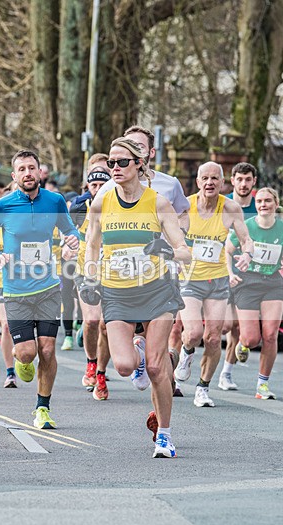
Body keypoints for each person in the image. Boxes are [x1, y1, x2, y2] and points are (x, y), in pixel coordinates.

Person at [84, 137, 190, 458]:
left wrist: (168, 249)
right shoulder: (102, 202)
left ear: (139, 165)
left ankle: (165, 436)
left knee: (158, 370)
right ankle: (140, 353)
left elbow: (184, 250)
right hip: (117, 291)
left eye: (122, 162)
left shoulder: (158, 203)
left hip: (157, 290)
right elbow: (92, 243)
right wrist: (90, 276)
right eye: (111, 163)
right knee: (124, 366)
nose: (115, 168)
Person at [0, 150, 80, 430]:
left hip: (48, 288)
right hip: (15, 291)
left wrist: (73, 243)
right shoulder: (4, 205)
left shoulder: (55, 201)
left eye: (31, 167)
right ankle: (22, 361)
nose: (28, 173)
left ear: (40, 172)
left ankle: (42, 407)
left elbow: (71, 230)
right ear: (14, 176)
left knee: (47, 350)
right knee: (26, 353)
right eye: (21, 169)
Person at [172, 162, 252, 408]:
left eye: (215, 179)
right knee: (194, 333)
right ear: (198, 182)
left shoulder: (230, 208)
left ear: (222, 182)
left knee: (215, 337)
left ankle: (203, 387)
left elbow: (246, 239)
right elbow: (168, 236)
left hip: (216, 280)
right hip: (189, 279)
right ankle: (186, 353)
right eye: (205, 178)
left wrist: (247, 254)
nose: (210, 183)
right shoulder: (185, 207)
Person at [225, 188, 283, 399]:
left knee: (270, 335)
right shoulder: (246, 227)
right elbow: (228, 250)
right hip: (247, 283)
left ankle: (262, 385)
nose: (263, 204)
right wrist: (230, 273)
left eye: (268, 201)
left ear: (276, 204)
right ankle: (242, 343)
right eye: (259, 201)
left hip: (272, 284)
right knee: (251, 339)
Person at [70, 164, 111, 400]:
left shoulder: (117, 207)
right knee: (92, 320)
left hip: (112, 272)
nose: (97, 189)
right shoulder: (79, 207)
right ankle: (91, 363)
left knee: (106, 324)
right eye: (94, 185)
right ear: (88, 187)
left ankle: (103, 374)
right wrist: (68, 246)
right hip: (85, 269)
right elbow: (67, 231)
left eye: (102, 185)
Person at [220, 162, 259, 387]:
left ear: (253, 182)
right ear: (232, 180)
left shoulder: (259, 206)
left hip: (246, 274)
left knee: (236, 327)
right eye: (239, 179)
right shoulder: (222, 204)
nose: (243, 184)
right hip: (219, 270)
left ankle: (226, 373)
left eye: (248, 180)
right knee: (224, 325)